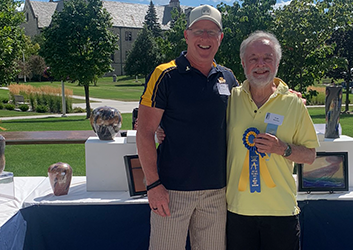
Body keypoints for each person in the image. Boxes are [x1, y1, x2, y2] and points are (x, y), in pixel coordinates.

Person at [136, 5, 238, 250]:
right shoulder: (165, 75)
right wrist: (153, 185)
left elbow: (255, 101)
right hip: (171, 192)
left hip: (217, 192)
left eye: (212, 32)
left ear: (220, 38)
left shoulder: (229, 77)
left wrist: (284, 92)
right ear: (187, 35)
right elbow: (145, 131)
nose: (205, 38)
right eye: (198, 31)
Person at [226, 31, 319, 250]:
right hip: (238, 212)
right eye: (253, 58)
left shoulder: (294, 104)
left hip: (281, 212)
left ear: (277, 63)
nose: (261, 64)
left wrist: (282, 149)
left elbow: (310, 156)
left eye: (268, 58)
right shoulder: (230, 99)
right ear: (243, 63)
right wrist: (164, 128)